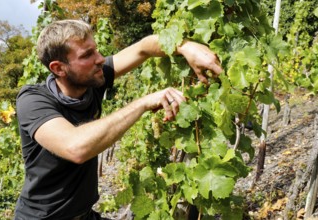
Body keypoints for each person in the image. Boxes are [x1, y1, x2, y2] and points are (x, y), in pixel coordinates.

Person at [14, 19, 223, 220]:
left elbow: (144, 48)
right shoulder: (33, 100)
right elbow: (75, 147)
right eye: (87, 54)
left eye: (96, 49)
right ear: (59, 68)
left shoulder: (93, 78)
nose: (100, 59)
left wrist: (186, 47)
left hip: (85, 215)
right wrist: (142, 103)